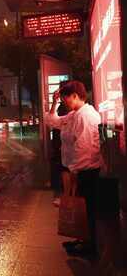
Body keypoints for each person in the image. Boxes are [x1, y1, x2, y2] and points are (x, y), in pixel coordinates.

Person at [45, 80, 101, 257]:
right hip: (81, 168)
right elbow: (53, 122)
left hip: (87, 170)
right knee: (84, 209)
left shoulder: (85, 116)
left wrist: (75, 171)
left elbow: (83, 148)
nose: (65, 103)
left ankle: (90, 246)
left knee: (88, 210)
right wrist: (54, 103)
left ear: (75, 96)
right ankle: (84, 241)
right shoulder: (76, 114)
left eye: (65, 99)